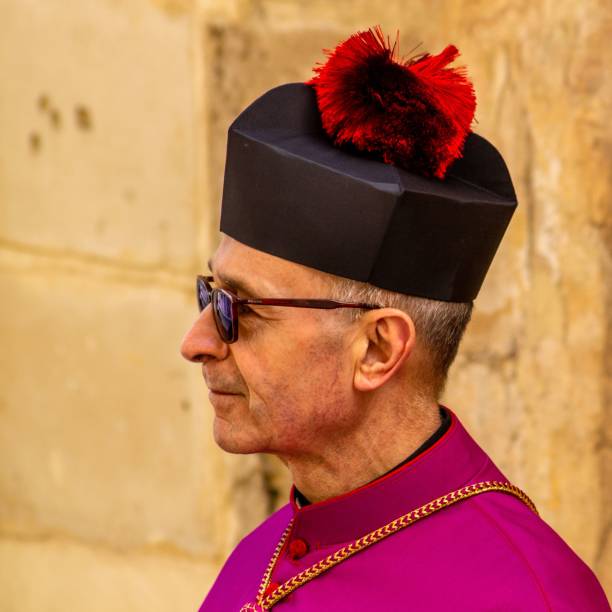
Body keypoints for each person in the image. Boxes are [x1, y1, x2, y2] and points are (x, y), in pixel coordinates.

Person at [180, 27, 610, 611]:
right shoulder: (260, 559)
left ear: (378, 349)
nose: (198, 341)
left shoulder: (526, 597)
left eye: (241, 308)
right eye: (211, 295)